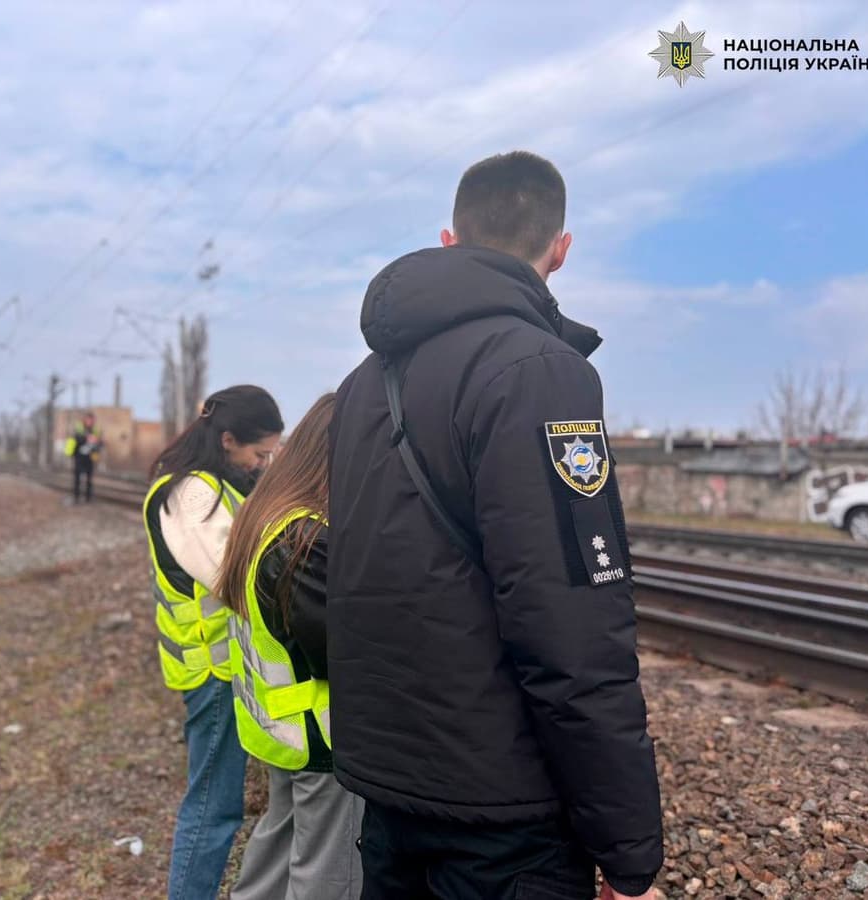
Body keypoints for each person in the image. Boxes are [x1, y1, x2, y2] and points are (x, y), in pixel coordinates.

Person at [327, 151, 663, 900]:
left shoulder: (360, 387)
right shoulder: (541, 373)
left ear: (451, 240)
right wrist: (630, 850)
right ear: (561, 249)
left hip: (388, 790)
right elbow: (572, 629)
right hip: (504, 820)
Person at [216, 394, 363, 900]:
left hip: (279, 729)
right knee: (329, 875)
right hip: (322, 736)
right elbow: (344, 653)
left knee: (278, 847)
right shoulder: (304, 540)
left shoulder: (266, 517)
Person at [142, 385, 284, 900]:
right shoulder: (192, 495)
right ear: (228, 439)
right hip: (213, 672)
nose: (263, 462)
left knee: (216, 800)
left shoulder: (216, 486)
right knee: (213, 805)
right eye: (259, 453)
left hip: (225, 670)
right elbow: (235, 577)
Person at [65, 411, 103, 503]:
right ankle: (76, 497)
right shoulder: (79, 429)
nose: (90, 422)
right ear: (85, 420)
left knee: (89, 479)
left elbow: (100, 443)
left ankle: (88, 498)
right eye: (89, 420)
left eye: (92, 420)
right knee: (77, 478)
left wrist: (97, 441)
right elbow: (75, 439)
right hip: (79, 457)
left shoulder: (95, 431)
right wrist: (87, 438)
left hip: (90, 457)